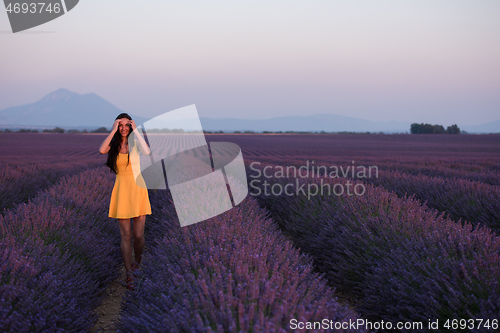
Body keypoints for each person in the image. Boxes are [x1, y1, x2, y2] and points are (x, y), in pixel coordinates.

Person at [99, 113, 152, 290]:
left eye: (126, 125)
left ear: (130, 126)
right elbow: (101, 150)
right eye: (120, 125)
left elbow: (147, 151)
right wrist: (112, 130)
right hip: (121, 192)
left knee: (138, 235)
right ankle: (129, 273)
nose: (123, 128)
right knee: (126, 235)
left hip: (138, 190)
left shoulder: (136, 144)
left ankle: (138, 262)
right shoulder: (113, 146)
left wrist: (136, 131)